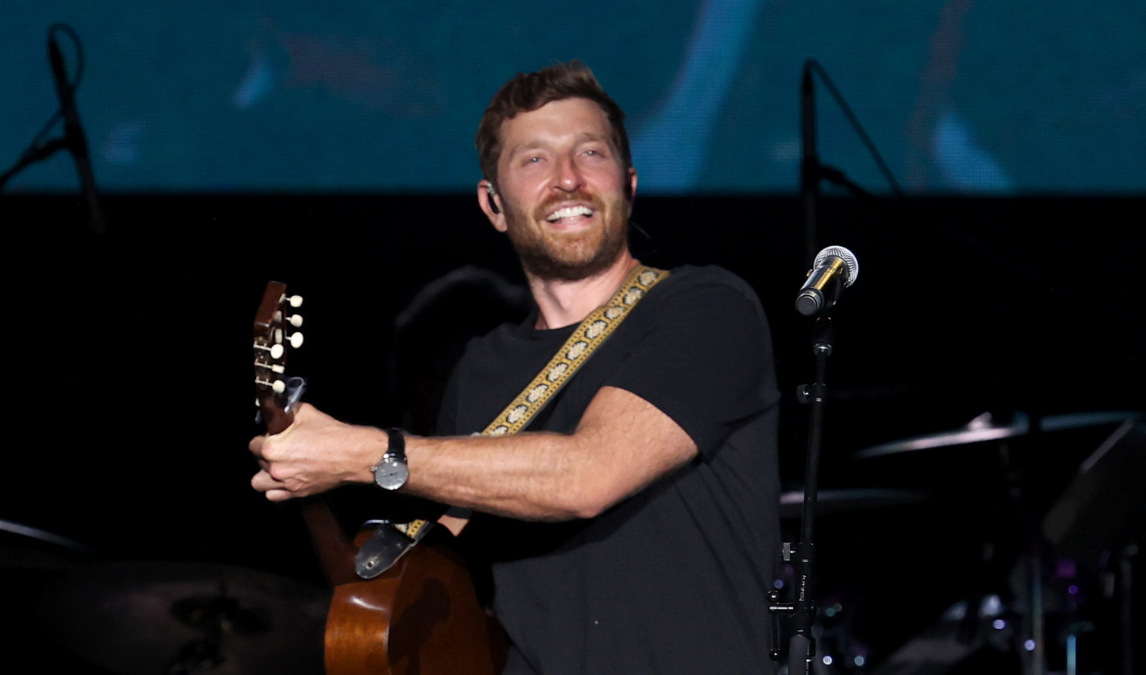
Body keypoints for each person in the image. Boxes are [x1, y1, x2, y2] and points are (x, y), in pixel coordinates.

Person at [250, 60, 781, 674]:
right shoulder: (481, 369)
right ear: (494, 205)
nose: (568, 179)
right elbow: (442, 580)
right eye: (534, 160)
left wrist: (365, 454)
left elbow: (588, 477)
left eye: (591, 153)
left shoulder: (706, 307)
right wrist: (312, 476)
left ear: (629, 185)